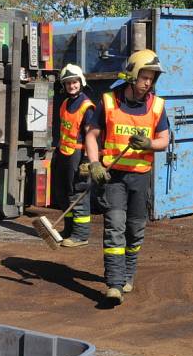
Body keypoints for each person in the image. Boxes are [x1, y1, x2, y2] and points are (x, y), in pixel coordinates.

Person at [84, 49, 170, 303]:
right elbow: (91, 135)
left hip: (140, 178)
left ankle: (128, 273)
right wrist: (94, 164)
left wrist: (148, 144)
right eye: (145, 77)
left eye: (152, 78)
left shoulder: (157, 105)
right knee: (114, 228)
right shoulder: (109, 101)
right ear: (132, 74)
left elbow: (164, 140)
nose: (148, 83)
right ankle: (114, 284)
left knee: (135, 230)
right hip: (114, 178)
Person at [55, 64, 95, 247]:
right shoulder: (64, 104)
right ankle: (69, 229)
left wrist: (86, 159)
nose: (72, 86)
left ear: (81, 82)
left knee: (78, 193)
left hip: (78, 155)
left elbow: (90, 135)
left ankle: (80, 235)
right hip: (64, 153)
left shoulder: (87, 106)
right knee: (64, 193)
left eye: (74, 82)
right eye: (68, 83)